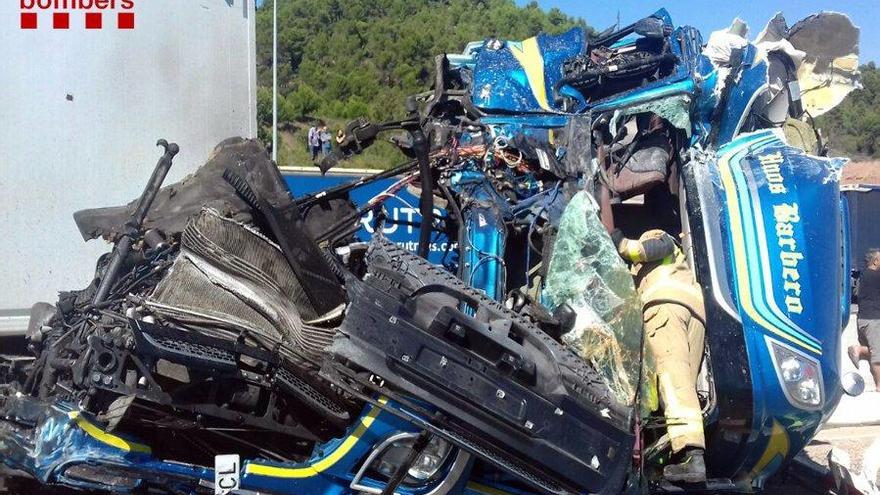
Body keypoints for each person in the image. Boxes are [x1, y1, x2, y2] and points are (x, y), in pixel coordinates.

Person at [849, 248, 880, 391]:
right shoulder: (875, 276)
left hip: (863, 319)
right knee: (877, 356)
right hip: (874, 319)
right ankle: (859, 351)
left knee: (875, 353)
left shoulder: (864, 276)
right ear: (876, 261)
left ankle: (861, 350)